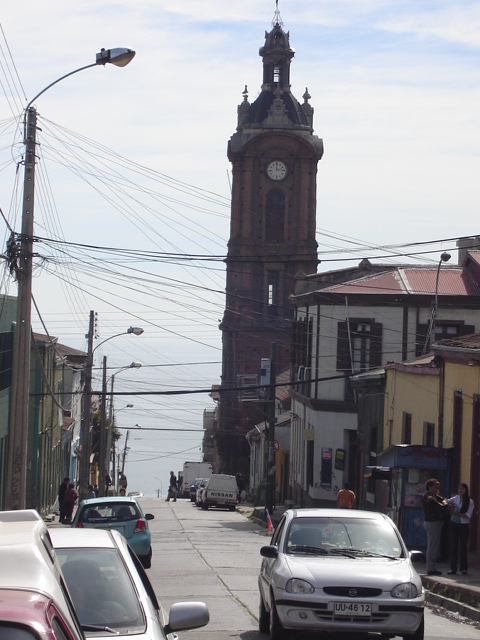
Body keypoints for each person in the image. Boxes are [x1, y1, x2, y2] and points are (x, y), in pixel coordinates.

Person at [421, 478, 448, 576]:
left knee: (434, 546)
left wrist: (444, 502)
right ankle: (430, 568)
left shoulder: (434, 495)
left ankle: (432, 567)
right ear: (429, 487)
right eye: (434, 487)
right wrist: (442, 504)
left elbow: (444, 499)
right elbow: (438, 504)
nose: (436, 489)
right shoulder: (428, 496)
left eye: (437, 487)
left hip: (435, 523)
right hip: (432, 523)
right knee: (432, 546)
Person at [447, 483, 474, 575]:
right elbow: (446, 501)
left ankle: (464, 568)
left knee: (463, 546)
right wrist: (447, 505)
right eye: (459, 489)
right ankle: (452, 568)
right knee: (454, 546)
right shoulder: (456, 498)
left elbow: (467, 515)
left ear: (466, 490)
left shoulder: (470, 501)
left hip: (464, 525)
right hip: (454, 524)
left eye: (462, 489)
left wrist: (455, 513)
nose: (460, 490)